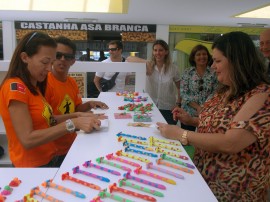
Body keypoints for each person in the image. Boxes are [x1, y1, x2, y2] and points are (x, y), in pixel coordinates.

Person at [157, 31, 270, 201]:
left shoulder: (262, 96)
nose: (212, 67)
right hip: (204, 183)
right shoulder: (225, 89)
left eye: (217, 61)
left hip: (233, 191)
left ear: (237, 61)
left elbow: (230, 142)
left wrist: (181, 134)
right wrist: (191, 119)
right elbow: (220, 122)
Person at [0, 31, 101, 167]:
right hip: (31, 167)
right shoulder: (16, 88)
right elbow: (27, 139)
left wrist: (78, 115)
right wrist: (73, 123)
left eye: (51, 62)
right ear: (25, 57)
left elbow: (49, 120)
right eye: (45, 62)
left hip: (48, 159)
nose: (49, 68)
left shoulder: (35, 86)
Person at [45, 36, 108, 166]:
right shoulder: (44, 83)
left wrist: (90, 104)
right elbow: (48, 120)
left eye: (67, 57)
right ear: (52, 57)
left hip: (73, 143)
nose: (62, 60)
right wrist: (78, 117)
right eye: (58, 55)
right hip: (53, 151)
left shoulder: (72, 82)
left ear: (73, 61)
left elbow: (76, 108)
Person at [127, 39, 181, 125]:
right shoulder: (148, 66)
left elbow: (179, 87)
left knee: (169, 135)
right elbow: (129, 59)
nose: (157, 53)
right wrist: (146, 62)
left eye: (160, 50)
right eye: (155, 50)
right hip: (149, 107)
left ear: (166, 52)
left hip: (168, 108)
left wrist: (178, 104)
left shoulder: (173, 69)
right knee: (150, 133)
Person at [180, 44, 218, 131]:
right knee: (186, 139)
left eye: (204, 54)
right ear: (193, 58)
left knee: (203, 141)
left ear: (208, 56)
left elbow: (215, 92)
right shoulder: (187, 72)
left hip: (207, 113)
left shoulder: (214, 73)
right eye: (198, 54)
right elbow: (183, 93)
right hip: (188, 113)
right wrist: (197, 107)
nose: (202, 57)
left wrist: (204, 107)